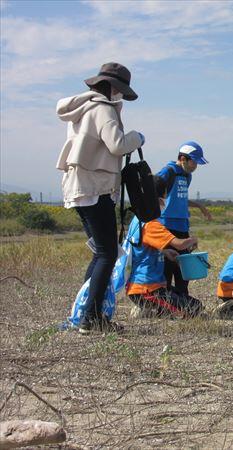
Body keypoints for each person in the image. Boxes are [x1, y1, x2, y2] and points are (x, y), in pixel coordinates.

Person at [56, 62, 144, 334]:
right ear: (113, 88)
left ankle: (83, 313)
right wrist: (138, 138)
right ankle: (91, 319)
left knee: (101, 253)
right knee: (107, 254)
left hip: (78, 187)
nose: (120, 97)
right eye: (120, 91)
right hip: (96, 188)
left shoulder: (80, 109)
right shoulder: (103, 108)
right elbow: (117, 144)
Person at [126, 177, 203, 318]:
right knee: (192, 311)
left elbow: (142, 247)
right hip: (147, 290)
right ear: (159, 199)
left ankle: (149, 309)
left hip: (144, 287)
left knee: (194, 304)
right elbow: (179, 243)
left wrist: (164, 251)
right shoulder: (150, 223)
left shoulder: (136, 220)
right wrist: (192, 240)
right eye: (165, 196)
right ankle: (148, 309)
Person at [156, 141, 212, 296]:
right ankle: (165, 298)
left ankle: (182, 297)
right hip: (167, 226)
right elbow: (155, 189)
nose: (195, 166)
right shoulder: (168, 171)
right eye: (194, 161)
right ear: (183, 158)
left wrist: (200, 206)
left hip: (182, 227)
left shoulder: (187, 176)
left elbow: (180, 198)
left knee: (183, 266)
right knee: (167, 265)